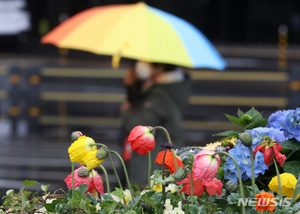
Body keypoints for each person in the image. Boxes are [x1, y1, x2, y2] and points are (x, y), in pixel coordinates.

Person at [119, 60, 191, 186]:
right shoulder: (167, 87)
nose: (141, 64)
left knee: (145, 197)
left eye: (147, 62)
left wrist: (127, 110)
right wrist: (132, 87)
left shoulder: (161, 95)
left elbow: (137, 125)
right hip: (157, 157)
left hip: (152, 162)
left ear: (161, 66)